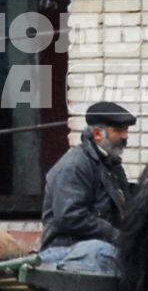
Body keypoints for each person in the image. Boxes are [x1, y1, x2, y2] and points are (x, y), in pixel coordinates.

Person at [37, 101, 136, 275]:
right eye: (119, 131)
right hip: (64, 254)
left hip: (94, 253)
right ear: (98, 134)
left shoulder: (112, 166)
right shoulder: (75, 166)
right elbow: (70, 216)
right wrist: (116, 236)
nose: (125, 136)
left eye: (126, 130)